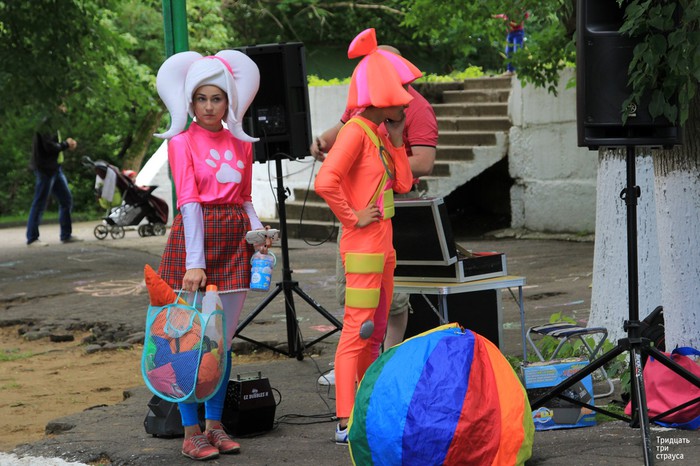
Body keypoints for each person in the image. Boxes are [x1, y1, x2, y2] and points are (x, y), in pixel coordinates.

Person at [153, 49, 272, 461]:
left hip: (235, 242)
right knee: (187, 340)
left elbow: (245, 198)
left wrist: (258, 233)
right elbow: (188, 202)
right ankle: (191, 433)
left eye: (216, 98)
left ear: (229, 101)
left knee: (221, 342)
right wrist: (195, 263)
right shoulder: (181, 141)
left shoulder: (241, 143)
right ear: (190, 101)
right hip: (194, 241)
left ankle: (215, 426)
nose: (208, 106)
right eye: (201, 98)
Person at [314, 28, 421, 444]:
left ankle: (364, 406)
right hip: (363, 246)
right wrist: (352, 216)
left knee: (375, 332)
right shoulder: (355, 131)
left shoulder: (376, 132)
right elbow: (326, 181)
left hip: (382, 246)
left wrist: (396, 137)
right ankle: (345, 418)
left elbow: (404, 183)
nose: (406, 97)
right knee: (358, 330)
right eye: (400, 89)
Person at [26, 104, 81, 247]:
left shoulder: (53, 124)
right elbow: (49, 147)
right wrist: (66, 144)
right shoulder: (46, 124)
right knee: (40, 202)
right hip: (45, 169)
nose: (65, 108)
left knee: (66, 200)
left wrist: (65, 145)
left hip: (55, 168)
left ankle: (66, 235)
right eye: (62, 105)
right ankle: (32, 238)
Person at [493, 10, 529, 75]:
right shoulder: (509, 10)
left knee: (517, 51)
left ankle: (518, 70)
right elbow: (503, 15)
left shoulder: (521, 11)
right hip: (510, 33)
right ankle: (510, 70)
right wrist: (495, 16)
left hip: (518, 33)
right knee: (508, 51)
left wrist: (507, 21)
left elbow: (517, 23)